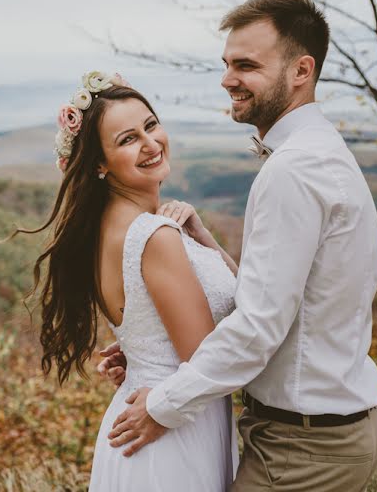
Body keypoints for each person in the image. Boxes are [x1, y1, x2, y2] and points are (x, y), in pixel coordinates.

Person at [107, 0, 377, 492]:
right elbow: (290, 303)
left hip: (304, 450)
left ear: (301, 70)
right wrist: (152, 341)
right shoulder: (316, 151)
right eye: (226, 63)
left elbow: (260, 328)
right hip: (317, 435)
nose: (227, 79)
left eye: (246, 65)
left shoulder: (293, 171)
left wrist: (163, 403)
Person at [13, 72, 240, 490]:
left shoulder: (108, 229)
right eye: (128, 139)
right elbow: (212, 358)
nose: (151, 144)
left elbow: (153, 328)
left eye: (150, 125)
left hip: (146, 419)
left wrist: (202, 236)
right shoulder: (153, 237)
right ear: (99, 163)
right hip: (173, 434)